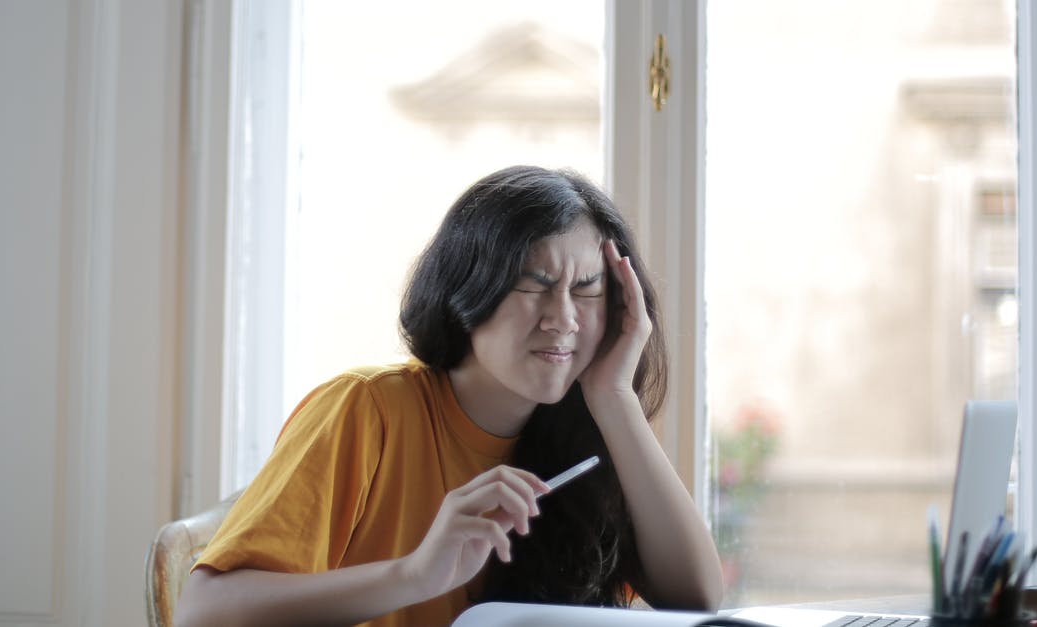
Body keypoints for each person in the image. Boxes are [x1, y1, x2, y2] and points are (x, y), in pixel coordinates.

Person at [175, 165, 723, 627]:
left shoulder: (590, 429)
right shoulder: (366, 410)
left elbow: (696, 599)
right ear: (469, 289)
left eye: (588, 289)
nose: (563, 318)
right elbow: (201, 611)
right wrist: (414, 574)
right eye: (532, 285)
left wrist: (615, 398)